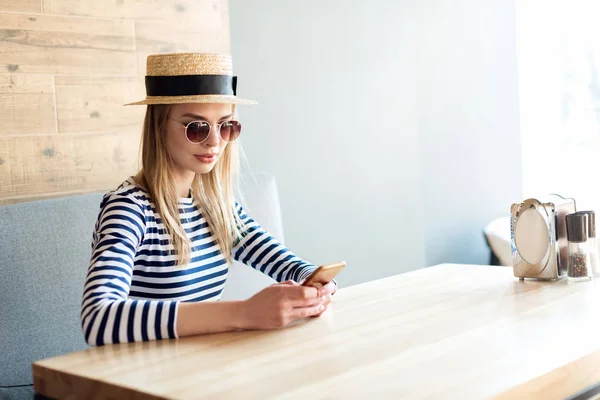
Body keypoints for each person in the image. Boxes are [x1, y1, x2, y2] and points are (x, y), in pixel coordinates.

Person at [81, 52, 337, 346]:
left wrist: (317, 286)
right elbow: (98, 318)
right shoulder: (129, 209)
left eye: (226, 126)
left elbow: (290, 265)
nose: (215, 141)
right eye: (197, 127)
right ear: (158, 126)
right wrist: (245, 313)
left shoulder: (217, 208)